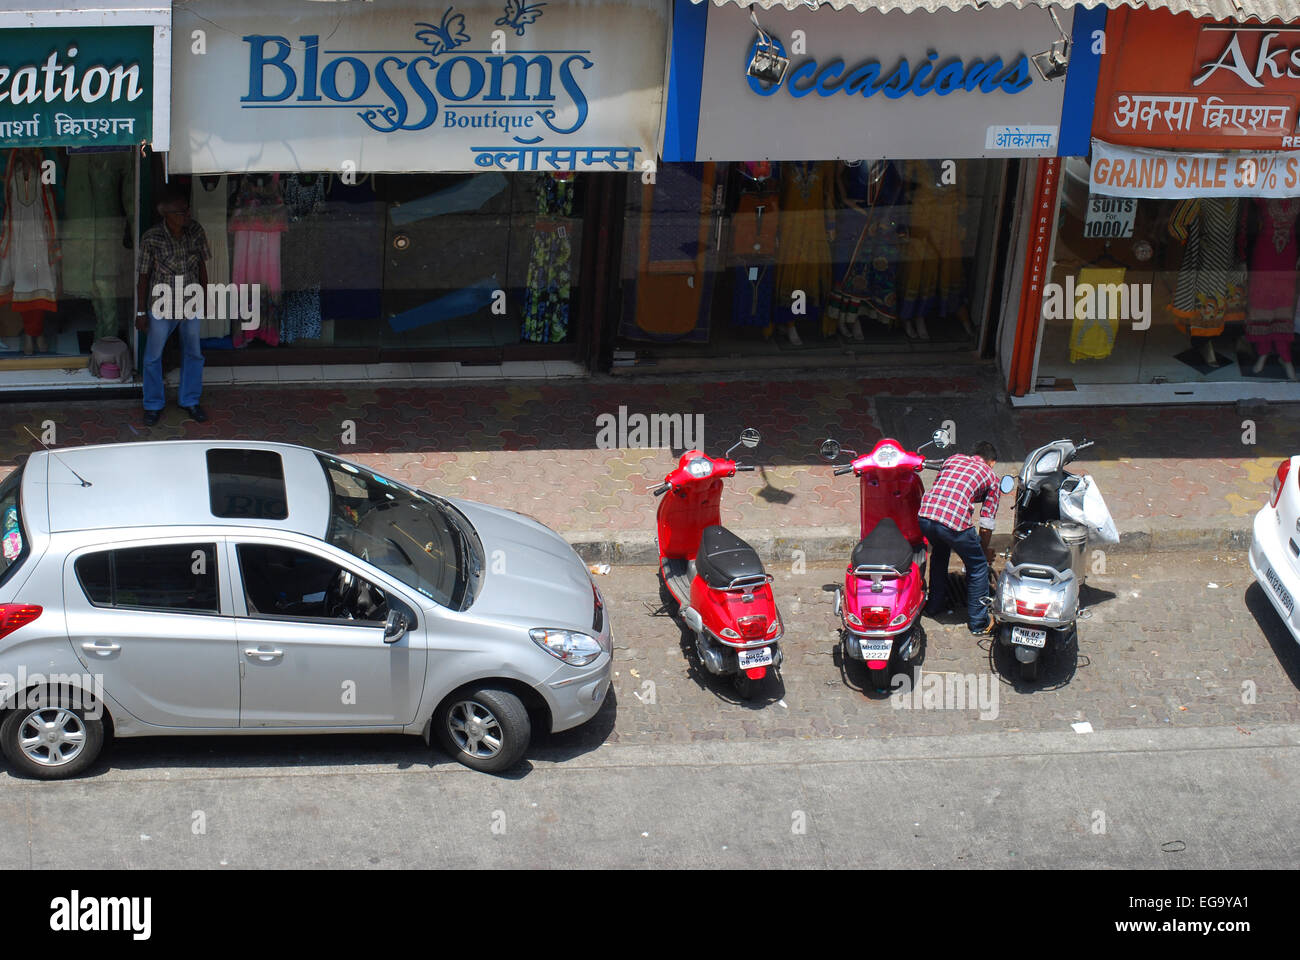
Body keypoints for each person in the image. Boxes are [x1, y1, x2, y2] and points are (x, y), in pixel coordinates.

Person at [136, 188, 209, 426]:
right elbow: (144, 277)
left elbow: (202, 267)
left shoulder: (195, 231)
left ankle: (190, 400)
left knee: (194, 353)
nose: (186, 215)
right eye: (180, 211)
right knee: (152, 357)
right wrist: (140, 312)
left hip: (190, 302)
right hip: (161, 305)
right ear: (165, 214)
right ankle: (153, 405)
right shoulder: (151, 238)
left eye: (186, 210)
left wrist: (206, 297)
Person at [918, 441, 1001, 635]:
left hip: (925, 516)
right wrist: (982, 550)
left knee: (940, 553)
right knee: (978, 567)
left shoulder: (953, 459)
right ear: (992, 462)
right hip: (953, 523)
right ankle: (978, 622)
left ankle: (934, 606)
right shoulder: (991, 477)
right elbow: (987, 522)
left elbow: (943, 486)